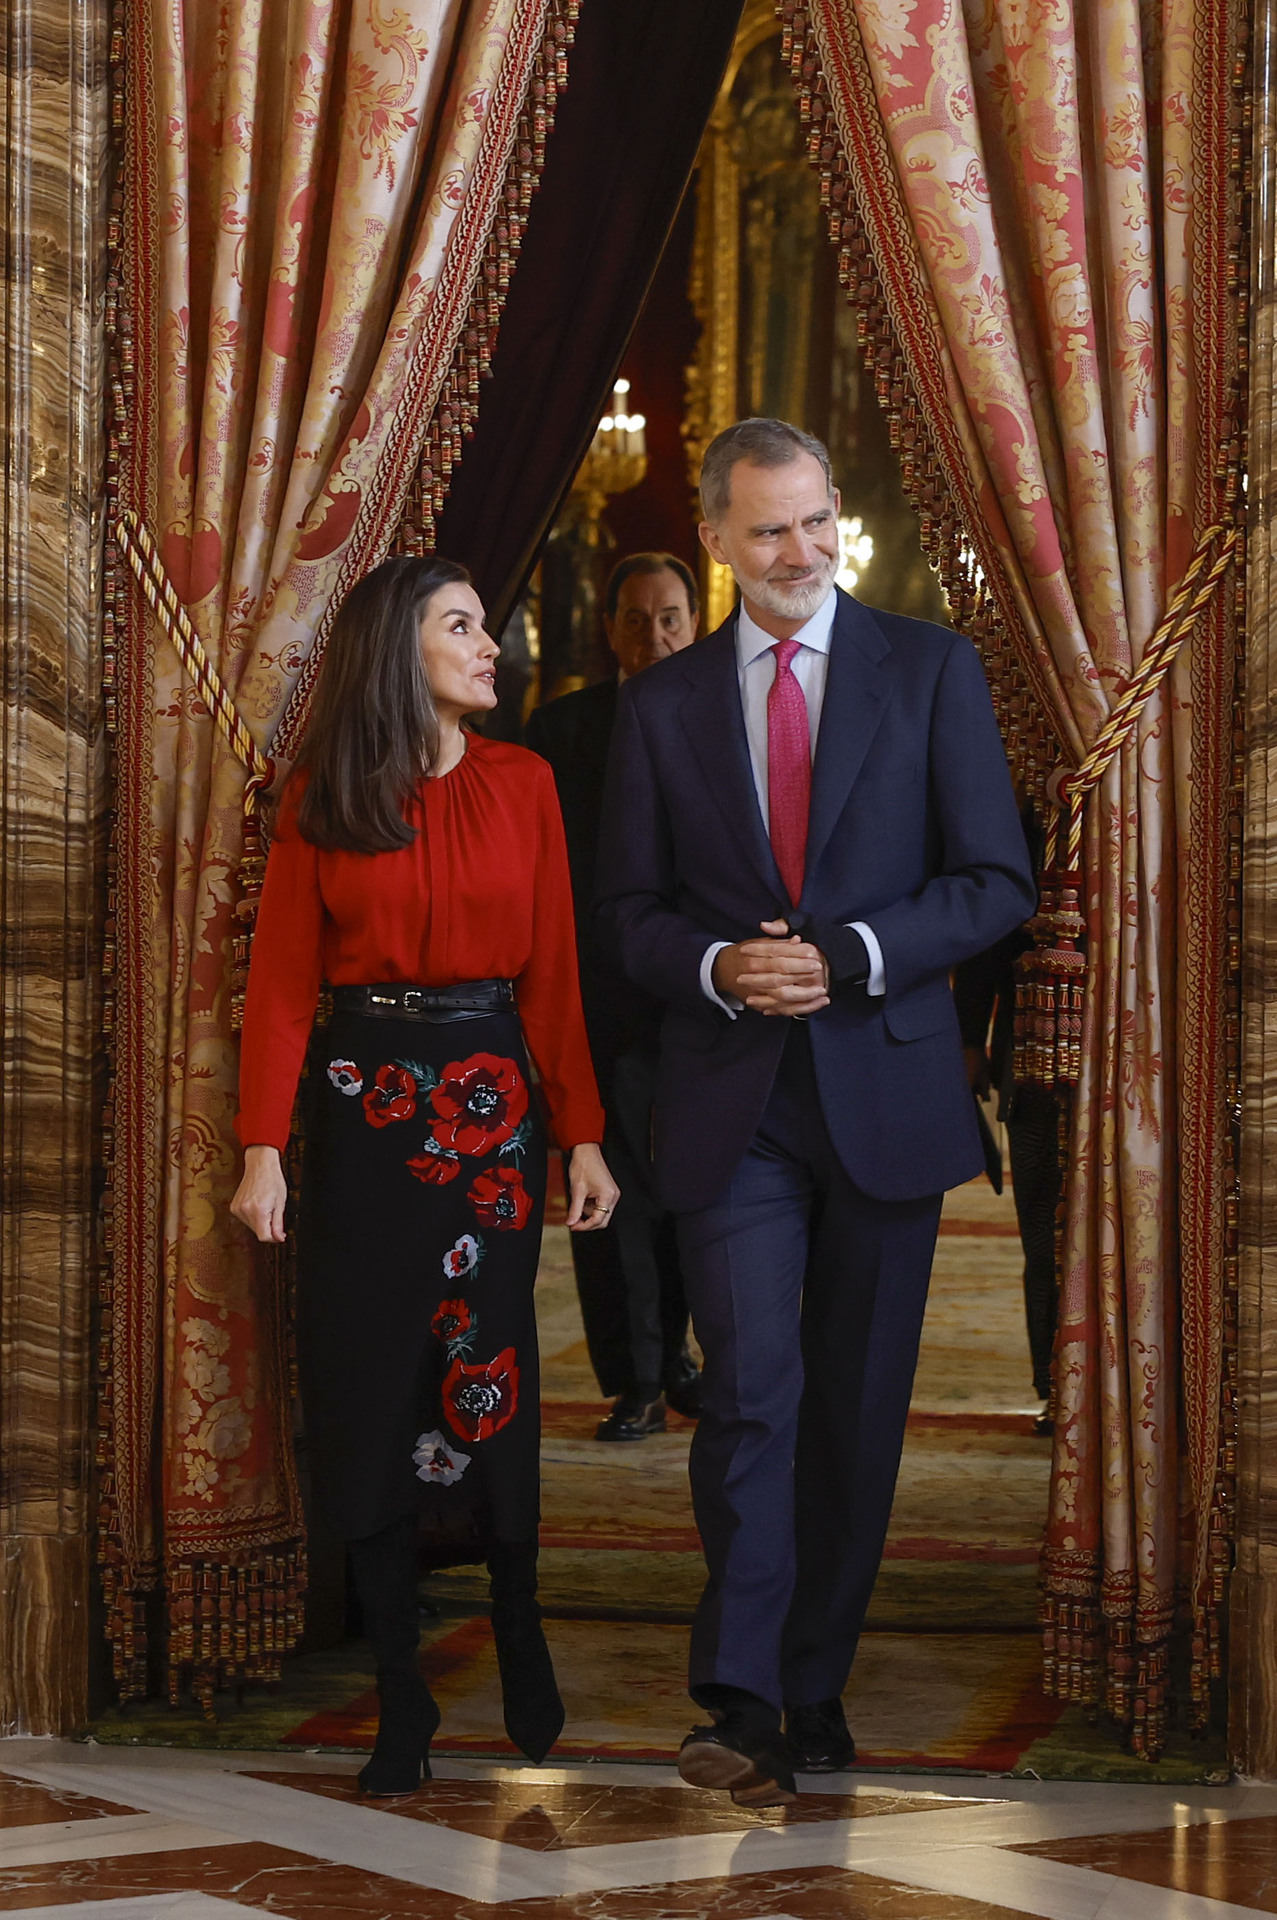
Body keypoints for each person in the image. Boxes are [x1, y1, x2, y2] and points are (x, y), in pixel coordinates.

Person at [597, 418, 1035, 1806]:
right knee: (749, 1398)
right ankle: (736, 1697)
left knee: (852, 1410)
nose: (796, 554)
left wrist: (847, 954)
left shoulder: (931, 671)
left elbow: (992, 881)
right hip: (735, 1107)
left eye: (813, 523)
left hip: (887, 1091)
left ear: (837, 517)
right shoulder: (661, 707)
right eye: (765, 530)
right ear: (717, 536)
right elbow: (623, 915)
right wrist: (719, 965)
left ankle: (814, 1685)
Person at [230, 555, 618, 1796]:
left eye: (485, 627)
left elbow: (553, 969)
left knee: (486, 1368)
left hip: (491, 1109)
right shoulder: (324, 795)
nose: (487, 645)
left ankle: (517, 1627)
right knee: (369, 1385)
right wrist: (260, 1152)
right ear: (401, 651)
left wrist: (585, 1135)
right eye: (462, 627)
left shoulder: (527, 784)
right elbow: (284, 986)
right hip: (362, 1114)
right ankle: (400, 1689)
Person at [526, 553, 703, 1440]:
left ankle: (680, 1359)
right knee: (611, 1202)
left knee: (697, 1197)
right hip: (599, 1002)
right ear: (609, 629)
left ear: (697, 621)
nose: (654, 636)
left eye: (669, 616)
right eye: (635, 619)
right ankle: (633, 1380)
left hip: (707, 1005)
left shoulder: (733, 720)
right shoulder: (559, 732)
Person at [954, 918, 1060, 1432]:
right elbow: (986, 933)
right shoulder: (1027, 835)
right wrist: (969, 1037)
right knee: (1045, 1232)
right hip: (1036, 1041)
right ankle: (1055, 1386)